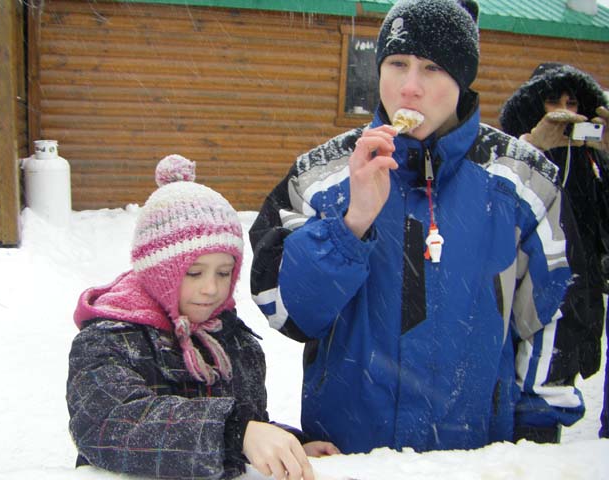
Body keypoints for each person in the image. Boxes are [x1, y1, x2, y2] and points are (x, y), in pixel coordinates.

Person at [248, 0, 585, 454]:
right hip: (352, 455)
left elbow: (553, 317)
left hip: (477, 459)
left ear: (462, 78)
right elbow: (289, 312)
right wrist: (351, 224)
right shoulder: (321, 177)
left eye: (432, 68)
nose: (409, 87)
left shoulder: (522, 181)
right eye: (397, 64)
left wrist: (531, 441)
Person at [66, 154, 339, 480]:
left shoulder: (233, 340)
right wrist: (235, 433)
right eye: (193, 272)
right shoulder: (109, 339)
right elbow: (109, 423)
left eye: (224, 273)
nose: (211, 288)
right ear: (157, 269)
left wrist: (285, 446)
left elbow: (245, 425)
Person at [499, 63, 609, 441]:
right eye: (552, 100)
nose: (565, 110)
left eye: (573, 102)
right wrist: (533, 148)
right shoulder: (508, 152)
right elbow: (492, 214)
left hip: (574, 311)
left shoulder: (590, 163)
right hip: (519, 316)